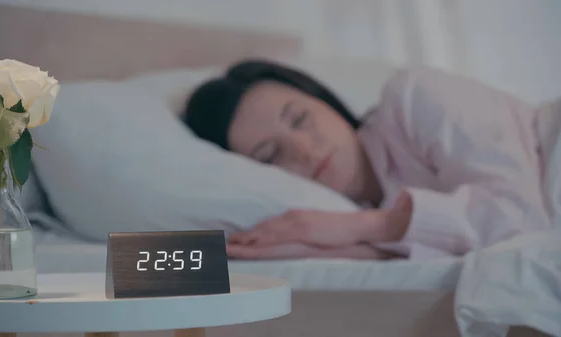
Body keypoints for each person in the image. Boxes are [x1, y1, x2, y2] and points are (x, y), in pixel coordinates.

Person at [182, 59, 555, 260]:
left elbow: (523, 224)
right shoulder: (328, 217)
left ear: (322, 99)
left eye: (300, 119)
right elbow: (133, 268)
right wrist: (358, 245)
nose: (305, 150)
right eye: (271, 155)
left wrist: (365, 228)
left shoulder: (413, 95)